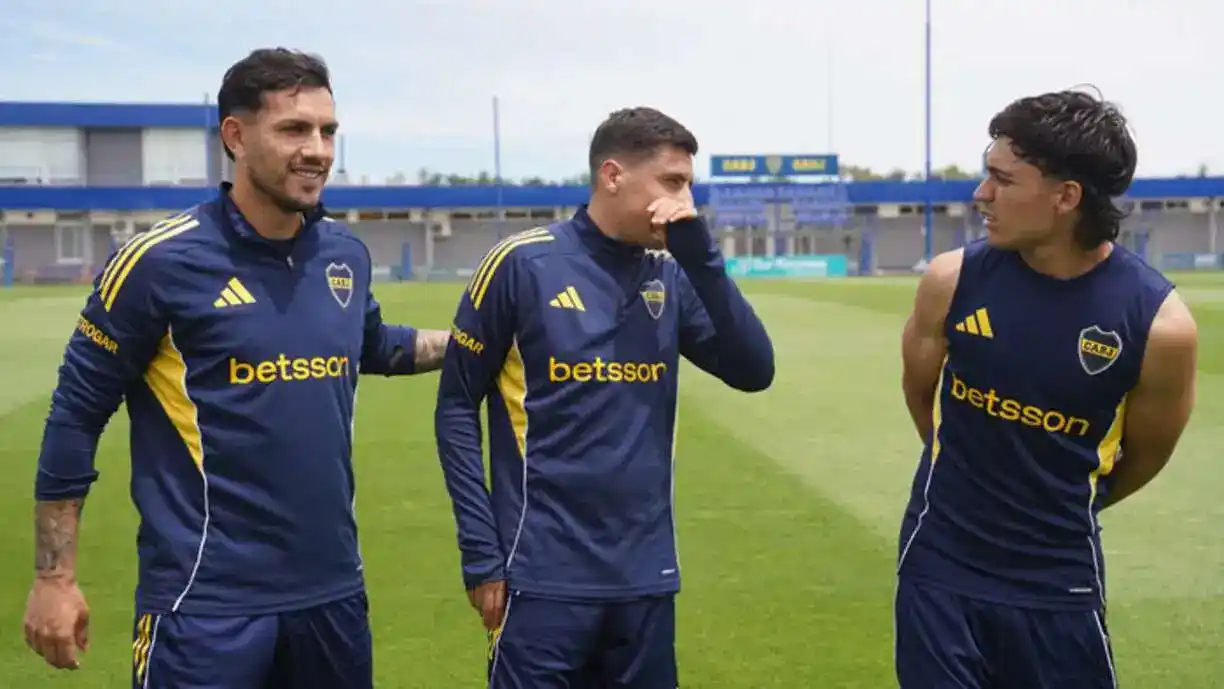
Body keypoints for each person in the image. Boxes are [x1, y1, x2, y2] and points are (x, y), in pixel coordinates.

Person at [21, 48, 450, 689]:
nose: (318, 150)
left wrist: (473, 341)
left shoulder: (344, 254)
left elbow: (372, 346)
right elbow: (75, 416)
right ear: (235, 136)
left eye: (327, 131)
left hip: (332, 596)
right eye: (293, 129)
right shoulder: (160, 262)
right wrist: (55, 578)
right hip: (204, 606)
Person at [434, 106, 775, 688]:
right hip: (538, 577)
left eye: (689, 185)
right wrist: (481, 554)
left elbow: (753, 369)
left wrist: (703, 259)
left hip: (645, 578)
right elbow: (456, 408)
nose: (685, 199)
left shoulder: (669, 276)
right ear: (612, 175)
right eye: (672, 182)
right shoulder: (522, 264)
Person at [895, 89, 1198, 688]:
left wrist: (1067, 499)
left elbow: (1145, 456)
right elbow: (920, 395)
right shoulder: (950, 281)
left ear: (1066, 197)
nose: (981, 194)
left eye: (1003, 180)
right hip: (940, 562)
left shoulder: (1160, 326)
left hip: (1058, 577)